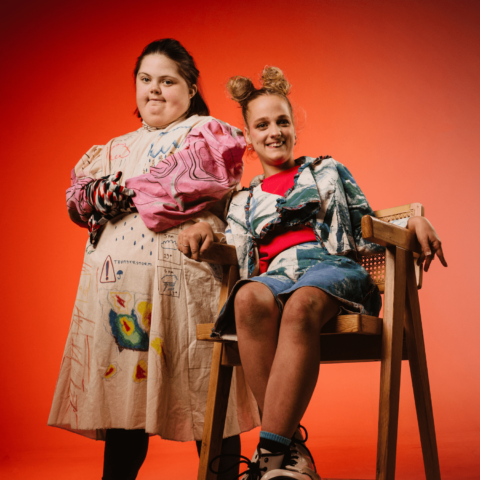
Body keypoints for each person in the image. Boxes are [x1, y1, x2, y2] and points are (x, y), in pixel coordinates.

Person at [178, 66, 447, 479]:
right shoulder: (243, 199)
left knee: (301, 304)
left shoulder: (326, 171)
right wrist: (203, 227)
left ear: (294, 129)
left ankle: (268, 456)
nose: (274, 132)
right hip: (274, 279)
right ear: (248, 138)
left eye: (282, 121)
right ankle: (288, 451)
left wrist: (413, 219)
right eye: (262, 125)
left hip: (330, 269)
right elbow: (230, 247)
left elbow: (367, 223)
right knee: (247, 297)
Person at [48, 38, 260, 480]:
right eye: (146, 80)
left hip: (189, 295)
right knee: (125, 412)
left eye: (168, 80)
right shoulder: (115, 146)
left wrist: (114, 191)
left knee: (209, 401)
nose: (155, 90)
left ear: (190, 88)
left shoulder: (206, 133)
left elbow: (186, 181)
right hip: (121, 307)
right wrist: (96, 194)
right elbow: (75, 200)